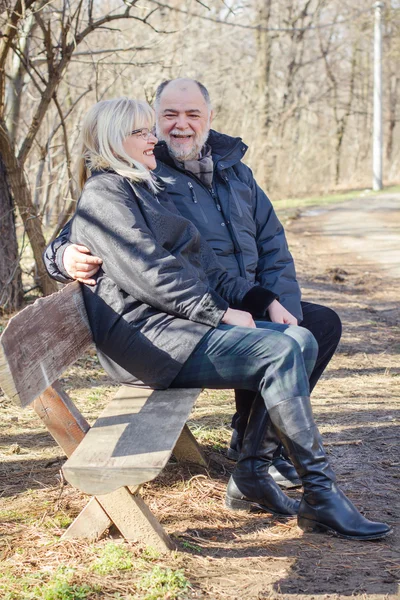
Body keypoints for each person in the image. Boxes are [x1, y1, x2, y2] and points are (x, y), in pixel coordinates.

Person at [55, 95, 391, 541]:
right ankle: (320, 493)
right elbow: (153, 275)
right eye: (143, 131)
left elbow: (208, 267)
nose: (154, 138)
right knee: (279, 351)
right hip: (148, 342)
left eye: (150, 130)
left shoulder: (147, 185)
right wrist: (219, 313)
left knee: (304, 337)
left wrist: (260, 298)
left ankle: (262, 475)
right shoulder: (105, 194)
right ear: (115, 141)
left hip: (176, 327)